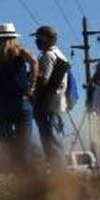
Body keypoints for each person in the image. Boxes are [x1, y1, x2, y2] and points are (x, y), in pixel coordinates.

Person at [0, 22, 36, 165]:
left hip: (0, 104)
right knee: (24, 144)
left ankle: (10, 176)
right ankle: (27, 177)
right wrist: (31, 86)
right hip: (21, 101)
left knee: (6, 143)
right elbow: (34, 62)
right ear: (14, 38)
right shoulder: (21, 53)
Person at [30, 25, 71, 163]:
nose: (36, 42)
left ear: (49, 39)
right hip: (57, 103)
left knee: (50, 141)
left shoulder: (48, 56)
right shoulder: (60, 55)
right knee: (55, 139)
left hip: (48, 104)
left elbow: (43, 80)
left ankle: (58, 174)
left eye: (39, 38)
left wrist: (32, 93)